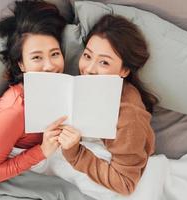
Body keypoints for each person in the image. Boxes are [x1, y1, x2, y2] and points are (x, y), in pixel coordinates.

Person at [57, 14, 158, 195]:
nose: (88, 69)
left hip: (115, 182)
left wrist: (75, 152)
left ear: (124, 70)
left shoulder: (129, 116)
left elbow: (126, 184)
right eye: (87, 55)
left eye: (104, 62)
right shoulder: (85, 87)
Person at [0, 0, 67, 186]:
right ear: (21, 64)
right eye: (37, 57)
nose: (50, 66)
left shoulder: (63, 87)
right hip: (35, 168)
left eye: (55, 54)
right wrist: (42, 151)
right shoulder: (12, 112)